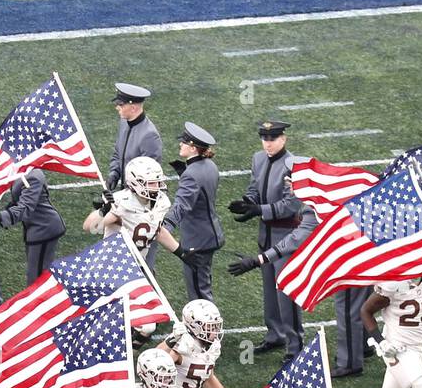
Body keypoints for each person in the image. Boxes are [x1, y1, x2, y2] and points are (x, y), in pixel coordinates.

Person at [227, 120, 304, 357]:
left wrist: (259, 210)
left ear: (283, 139)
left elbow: (291, 205)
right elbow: (254, 187)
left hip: (286, 237)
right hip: (266, 235)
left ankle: (295, 345)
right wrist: (248, 202)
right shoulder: (258, 159)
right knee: (270, 293)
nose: (267, 144)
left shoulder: (294, 166)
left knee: (286, 294)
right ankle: (275, 335)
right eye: (265, 139)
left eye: (272, 139)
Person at [83, 156, 170, 289]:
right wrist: (103, 211)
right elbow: (91, 228)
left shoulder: (161, 202)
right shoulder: (123, 202)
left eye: (158, 182)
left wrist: (181, 252)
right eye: (152, 183)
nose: (157, 187)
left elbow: (156, 229)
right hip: (114, 269)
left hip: (138, 266)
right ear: (136, 183)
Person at [161, 122, 223, 302]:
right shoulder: (210, 165)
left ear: (194, 148)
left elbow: (182, 205)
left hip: (197, 241)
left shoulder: (192, 174)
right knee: (202, 287)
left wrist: (166, 225)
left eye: (184, 142)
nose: (180, 144)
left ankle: (206, 328)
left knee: (199, 296)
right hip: (209, 235)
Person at [104, 82, 162, 196]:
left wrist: (120, 198)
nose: (117, 107)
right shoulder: (124, 122)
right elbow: (118, 153)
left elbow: (148, 178)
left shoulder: (150, 136)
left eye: (121, 104)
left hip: (139, 197)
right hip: (126, 192)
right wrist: (114, 174)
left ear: (133, 108)